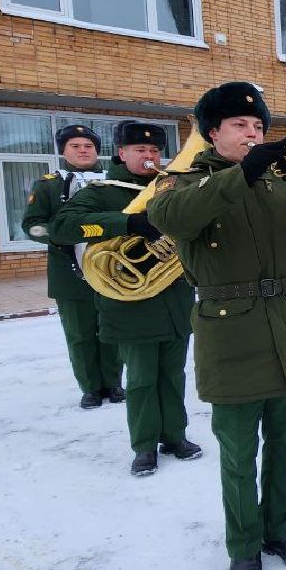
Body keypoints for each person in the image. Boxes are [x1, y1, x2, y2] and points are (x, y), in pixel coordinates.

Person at [147, 81, 286, 570]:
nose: (252, 132)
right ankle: (243, 548)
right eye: (240, 125)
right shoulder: (181, 183)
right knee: (239, 454)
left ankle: (280, 529)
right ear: (212, 133)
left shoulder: (283, 184)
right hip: (231, 332)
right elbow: (173, 220)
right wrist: (246, 171)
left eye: (258, 126)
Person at [54, 123, 198, 475]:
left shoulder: (174, 186)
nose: (149, 157)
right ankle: (144, 446)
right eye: (139, 150)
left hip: (174, 298)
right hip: (130, 303)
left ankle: (175, 435)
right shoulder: (104, 191)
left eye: (153, 152)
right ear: (121, 153)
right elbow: (63, 227)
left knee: (173, 374)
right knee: (141, 379)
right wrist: (127, 224)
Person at [22, 124, 125, 408]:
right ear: (64, 152)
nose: (83, 151)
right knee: (80, 334)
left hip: (111, 268)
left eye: (88, 146)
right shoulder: (49, 184)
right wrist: (59, 237)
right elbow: (32, 225)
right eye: (75, 147)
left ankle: (113, 383)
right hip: (70, 271)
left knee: (111, 329)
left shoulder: (113, 181)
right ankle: (91, 387)